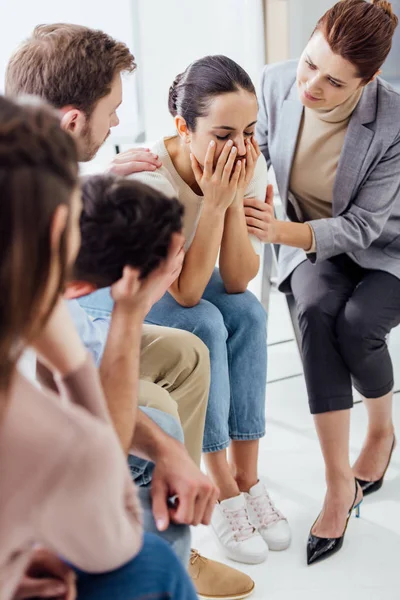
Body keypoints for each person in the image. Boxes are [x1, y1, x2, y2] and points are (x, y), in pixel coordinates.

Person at [6, 24, 256, 598]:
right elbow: (74, 394)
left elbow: (236, 279)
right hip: (70, 509)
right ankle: (169, 542)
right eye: (112, 109)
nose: (118, 124)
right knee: (166, 404)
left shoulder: (40, 187)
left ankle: (195, 519)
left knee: (195, 349)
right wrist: (127, 310)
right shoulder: (42, 254)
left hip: (66, 354)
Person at [87, 55, 292, 565]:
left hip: (185, 284)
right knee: (204, 322)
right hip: (140, 299)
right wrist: (218, 205)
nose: (240, 147)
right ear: (184, 127)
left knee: (247, 313)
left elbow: (241, 279)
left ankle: (248, 477)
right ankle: (220, 484)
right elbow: (185, 294)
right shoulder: (154, 177)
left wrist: (233, 198)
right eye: (223, 133)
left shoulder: (247, 158)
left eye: (249, 131)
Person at [0, 95, 198, 600]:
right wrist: (78, 349)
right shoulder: (49, 440)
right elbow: (114, 540)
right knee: (152, 559)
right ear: (58, 231)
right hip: (96, 522)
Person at [254, 0, 400, 565]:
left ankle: (381, 432)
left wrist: (282, 231)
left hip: (385, 246)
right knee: (315, 312)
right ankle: (338, 483)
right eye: (310, 64)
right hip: (307, 239)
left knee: (360, 323)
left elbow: (364, 226)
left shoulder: (392, 119)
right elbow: (257, 157)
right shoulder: (272, 83)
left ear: (369, 82)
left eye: (334, 80)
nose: (311, 84)